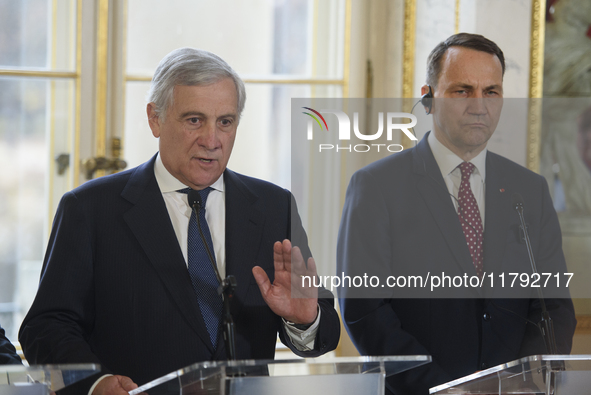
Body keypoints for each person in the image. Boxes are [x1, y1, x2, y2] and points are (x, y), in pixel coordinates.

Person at [19, 48, 340, 395]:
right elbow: (46, 327)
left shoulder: (274, 206)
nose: (212, 140)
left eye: (225, 122)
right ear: (155, 118)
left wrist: (302, 320)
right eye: (194, 120)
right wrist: (95, 386)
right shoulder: (89, 209)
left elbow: (322, 334)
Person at [338, 33, 577, 395]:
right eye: (462, 90)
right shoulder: (376, 186)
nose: (479, 105)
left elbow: (554, 306)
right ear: (429, 98)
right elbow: (364, 309)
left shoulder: (529, 190)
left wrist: (527, 381)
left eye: (491, 91)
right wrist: (443, 390)